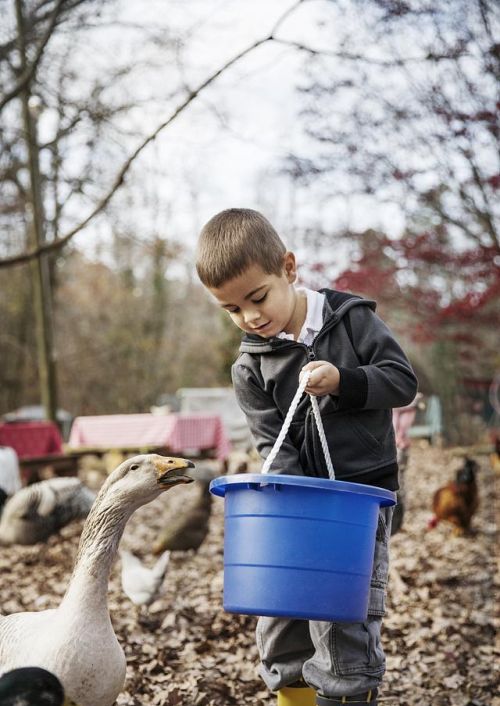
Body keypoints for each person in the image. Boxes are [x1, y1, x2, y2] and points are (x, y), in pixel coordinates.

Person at [195, 208, 418, 706]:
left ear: (289, 269)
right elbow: (270, 443)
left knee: (342, 622)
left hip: (360, 502)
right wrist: (291, 515)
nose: (249, 317)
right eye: (231, 309)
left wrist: (344, 380)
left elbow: (402, 382)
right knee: (281, 615)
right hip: (294, 504)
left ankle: (345, 696)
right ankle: (293, 698)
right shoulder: (251, 366)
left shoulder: (352, 319)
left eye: (257, 297)